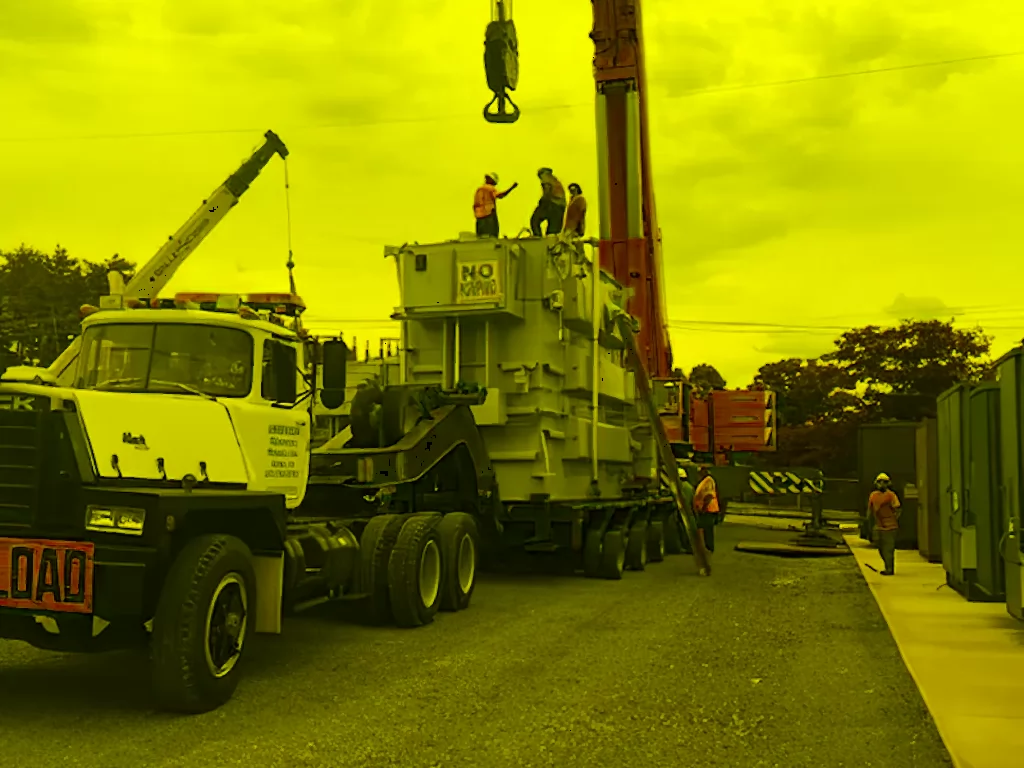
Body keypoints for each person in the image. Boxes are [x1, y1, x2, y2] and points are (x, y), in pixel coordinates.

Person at [868, 472, 901, 575]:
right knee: (881, 548)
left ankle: (889, 569)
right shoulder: (873, 496)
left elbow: (898, 508)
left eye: (884, 482)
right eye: (880, 482)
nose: (882, 484)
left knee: (888, 549)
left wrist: (894, 519)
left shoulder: (891, 495)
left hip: (890, 527)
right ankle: (887, 566)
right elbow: (870, 510)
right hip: (879, 526)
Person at [693, 465, 720, 571]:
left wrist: (703, 508)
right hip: (707, 510)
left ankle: (708, 549)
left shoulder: (708, 481)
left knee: (706, 530)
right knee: (706, 530)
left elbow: (708, 496)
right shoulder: (706, 480)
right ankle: (707, 549)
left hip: (709, 510)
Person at [473, 172, 517, 237]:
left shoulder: (479, 189)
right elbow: (500, 195)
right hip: (488, 215)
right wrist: (511, 188)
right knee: (492, 236)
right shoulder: (490, 188)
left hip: (479, 217)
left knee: (481, 237)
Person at [529, 167, 566, 236]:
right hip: (560, 207)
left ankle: (538, 238)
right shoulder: (555, 181)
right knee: (552, 232)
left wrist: (541, 202)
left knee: (534, 220)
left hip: (552, 204)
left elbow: (547, 192)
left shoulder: (547, 179)